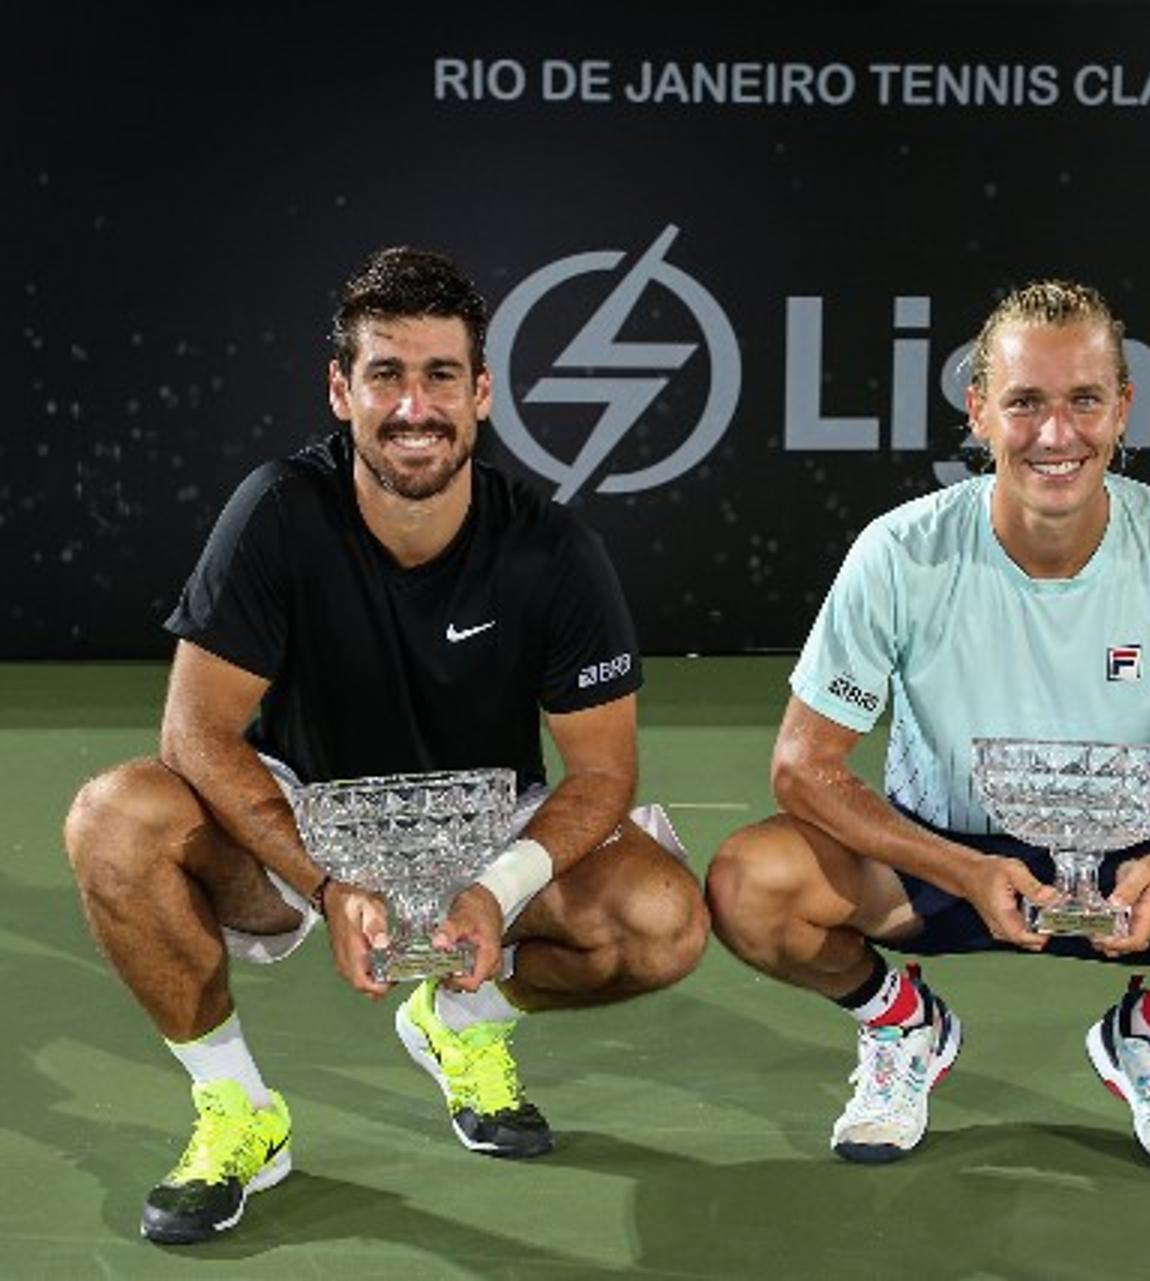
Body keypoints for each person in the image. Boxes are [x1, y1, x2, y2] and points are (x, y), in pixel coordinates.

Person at [63, 246, 708, 1245]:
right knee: (115, 820)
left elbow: (603, 773)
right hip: (304, 818)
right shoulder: (278, 512)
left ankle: (461, 1022)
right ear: (341, 389)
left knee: (663, 919)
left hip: (482, 827)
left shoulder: (551, 549)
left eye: (441, 375)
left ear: (482, 392)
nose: (416, 407)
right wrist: (326, 882)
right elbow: (194, 730)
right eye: (387, 375)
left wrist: (496, 888)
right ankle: (239, 1109)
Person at [706, 279, 1150, 1178]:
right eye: (1025, 402)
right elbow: (803, 766)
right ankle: (901, 1023)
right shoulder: (900, 552)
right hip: (934, 866)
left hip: (1127, 873)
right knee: (747, 882)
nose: (1056, 434)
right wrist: (960, 866)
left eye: (1084, 401)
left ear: (1123, 411)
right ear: (979, 412)